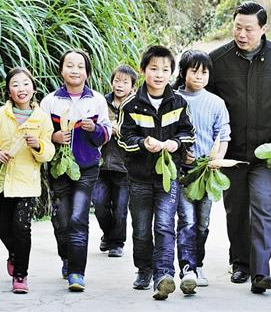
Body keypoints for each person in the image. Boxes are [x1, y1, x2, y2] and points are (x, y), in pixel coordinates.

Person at [207, 1, 271, 294]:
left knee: (263, 206)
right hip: (230, 153)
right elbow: (201, 102)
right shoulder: (217, 60)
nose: (242, 34)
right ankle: (241, 264)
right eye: (237, 27)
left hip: (267, 152)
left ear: (263, 28)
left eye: (249, 29)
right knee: (236, 209)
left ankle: (261, 271)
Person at [118, 45, 195, 301]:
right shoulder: (131, 104)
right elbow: (124, 138)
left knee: (164, 225)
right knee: (141, 229)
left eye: (165, 69)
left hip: (168, 176)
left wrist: (176, 143)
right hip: (139, 177)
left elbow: (187, 133)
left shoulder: (179, 102)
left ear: (172, 73)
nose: (159, 74)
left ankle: (164, 275)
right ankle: (144, 269)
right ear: (143, 71)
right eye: (153, 69)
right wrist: (143, 144)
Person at [40, 50, 112, 292]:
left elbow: (106, 135)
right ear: (61, 70)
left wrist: (94, 129)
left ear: (87, 72)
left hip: (87, 168)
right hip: (59, 169)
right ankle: (67, 258)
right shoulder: (50, 101)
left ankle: (76, 273)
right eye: (69, 65)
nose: (74, 70)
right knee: (61, 219)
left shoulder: (97, 100)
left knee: (78, 218)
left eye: (80, 66)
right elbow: (40, 135)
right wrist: (54, 136)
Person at [0, 67, 55, 293]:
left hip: (27, 184)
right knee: (3, 228)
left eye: (25, 83)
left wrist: (38, 146)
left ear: (33, 87)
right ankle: (14, 254)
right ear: (8, 91)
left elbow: (49, 151)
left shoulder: (42, 118)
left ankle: (21, 275)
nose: (21, 89)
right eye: (15, 84)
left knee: (22, 229)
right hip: (2, 181)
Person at [175, 50, 231, 287]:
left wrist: (217, 159)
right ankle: (187, 268)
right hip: (182, 172)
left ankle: (198, 264)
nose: (199, 76)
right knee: (186, 220)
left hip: (208, 173)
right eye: (194, 71)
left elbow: (224, 135)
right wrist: (179, 155)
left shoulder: (216, 103)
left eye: (204, 72)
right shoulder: (174, 99)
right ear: (183, 72)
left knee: (202, 223)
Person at [92, 65, 137, 258]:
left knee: (120, 209)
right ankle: (108, 235)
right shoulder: (101, 102)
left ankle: (117, 243)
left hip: (125, 167)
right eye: (117, 81)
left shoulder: (136, 106)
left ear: (133, 87)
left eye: (125, 82)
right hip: (100, 164)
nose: (120, 85)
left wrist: (121, 131)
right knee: (99, 204)